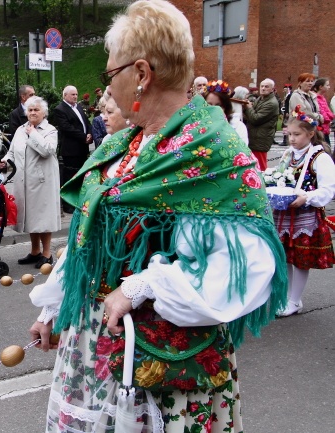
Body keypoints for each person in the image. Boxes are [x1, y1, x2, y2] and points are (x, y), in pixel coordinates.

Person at [28, 1, 287, 431]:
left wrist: (145, 284)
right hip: (95, 341)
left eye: (112, 73)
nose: (109, 84)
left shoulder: (213, 151)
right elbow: (86, 240)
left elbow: (240, 266)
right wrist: (54, 308)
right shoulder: (120, 146)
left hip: (165, 358)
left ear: (142, 74)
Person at [272, 112, 335, 317]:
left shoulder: (320, 157)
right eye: (289, 134)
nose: (292, 139)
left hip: (305, 217)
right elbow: (278, 177)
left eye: (297, 134)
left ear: (310, 134)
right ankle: (286, 297)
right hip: (284, 214)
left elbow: (328, 189)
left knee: (300, 259)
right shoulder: (288, 154)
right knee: (284, 257)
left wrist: (307, 197)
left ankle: (295, 299)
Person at [0, 96, 61, 268]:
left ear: (44, 112)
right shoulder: (20, 129)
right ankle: (35, 251)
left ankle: (47, 254)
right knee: (31, 217)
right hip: (24, 180)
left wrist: (33, 134)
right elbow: (12, 152)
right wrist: (4, 161)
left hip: (42, 181)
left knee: (43, 217)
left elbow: (47, 150)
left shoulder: (50, 130)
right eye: (30, 110)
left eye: (36, 110)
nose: (32, 113)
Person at [53, 85, 92, 213]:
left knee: (81, 175)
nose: (75, 97)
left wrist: (90, 134)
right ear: (65, 95)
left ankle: (79, 200)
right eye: (72, 94)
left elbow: (86, 122)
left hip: (82, 148)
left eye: (76, 94)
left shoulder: (78, 107)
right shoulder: (60, 109)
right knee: (70, 176)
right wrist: (83, 136)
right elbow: (66, 127)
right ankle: (68, 204)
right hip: (71, 149)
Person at [244, 78, 280, 171]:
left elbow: (256, 119)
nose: (263, 88)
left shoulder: (271, 103)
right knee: (254, 165)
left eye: (266, 87)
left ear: (272, 89)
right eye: (262, 86)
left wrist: (248, 108)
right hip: (254, 137)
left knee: (260, 166)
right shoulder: (260, 99)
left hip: (261, 139)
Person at [204, 79, 249, 144]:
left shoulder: (238, 126)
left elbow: (243, 150)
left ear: (225, 107)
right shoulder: (197, 125)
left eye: (218, 105)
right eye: (209, 104)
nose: (213, 109)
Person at [312, 78, 335, 148]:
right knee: (324, 148)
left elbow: (327, 110)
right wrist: (328, 119)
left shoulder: (322, 98)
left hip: (326, 127)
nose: (329, 87)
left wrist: (331, 116)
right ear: (321, 87)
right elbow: (322, 112)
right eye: (327, 85)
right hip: (320, 128)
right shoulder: (316, 98)